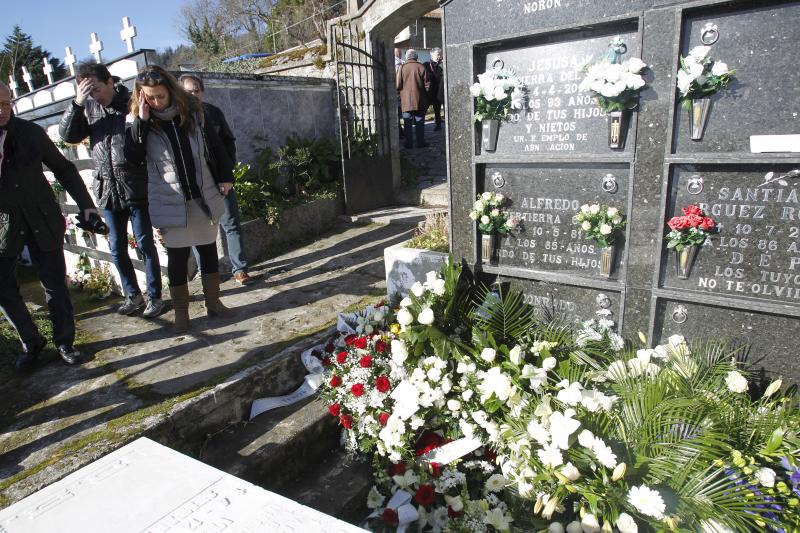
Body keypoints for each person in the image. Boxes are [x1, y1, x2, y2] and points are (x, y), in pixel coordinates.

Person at [124, 66, 235, 333]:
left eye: (160, 96)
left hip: (202, 194)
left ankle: (213, 302)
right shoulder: (140, 122)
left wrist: (225, 176)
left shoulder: (193, 112)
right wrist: (140, 120)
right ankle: (182, 314)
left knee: (208, 249)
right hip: (169, 199)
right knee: (177, 257)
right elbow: (132, 157)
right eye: (149, 97)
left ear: (171, 91)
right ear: (140, 96)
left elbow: (216, 146)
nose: (156, 102)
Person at [0, 81, 100, 371]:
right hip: (5, 225)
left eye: (6, 103)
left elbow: (64, 169)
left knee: (55, 285)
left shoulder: (31, 133)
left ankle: (65, 342)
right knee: (3, 287)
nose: (2, 111)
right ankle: (31, 342)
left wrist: (86, 204)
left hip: (42, 220)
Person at [59, 61, 164, 318]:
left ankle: (155, 297)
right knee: (117, 248)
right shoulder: (88, 108)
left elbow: (144, 136)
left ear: (109, 81)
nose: (94, 94)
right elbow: (68, 136)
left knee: (145, 245)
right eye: (87, 90)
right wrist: (77, 103)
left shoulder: (131, 101)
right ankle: (133, 296)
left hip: (135, 185)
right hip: (107, 188)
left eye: (96, 88)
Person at [178, 74, 254, 286]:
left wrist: (226, 175)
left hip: (220, 181)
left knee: (231, 224)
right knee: (199, 231)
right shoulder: (176, 118)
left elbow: (228, 143)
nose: (192, 94)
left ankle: (240, 269)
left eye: (196, 90)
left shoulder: (213, 113)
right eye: (188, 91)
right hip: (194, 185)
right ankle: (207, 274)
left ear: (201, 91)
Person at [396, 49, 430, 149]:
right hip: (420, 99)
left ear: (407, 57)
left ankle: (408, 143)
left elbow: (398, 84)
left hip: (405, 100)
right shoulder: (421, 66)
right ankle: (420, 143)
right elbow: (427, 84)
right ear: (416, 57)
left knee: (407, 122)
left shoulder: (402, 67)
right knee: (419, 121)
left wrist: (399, 95)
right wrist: (425, 95)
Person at [423, 48, 444, 131]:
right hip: (428, 92)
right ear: (431, 55)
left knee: (437, 110)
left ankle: (438, 125)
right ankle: (420, 126)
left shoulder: (442, 65)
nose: (439, 56)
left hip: (438, 92)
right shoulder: (426, 65)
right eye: (437, 54)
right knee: (424, 109)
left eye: (440, 54)